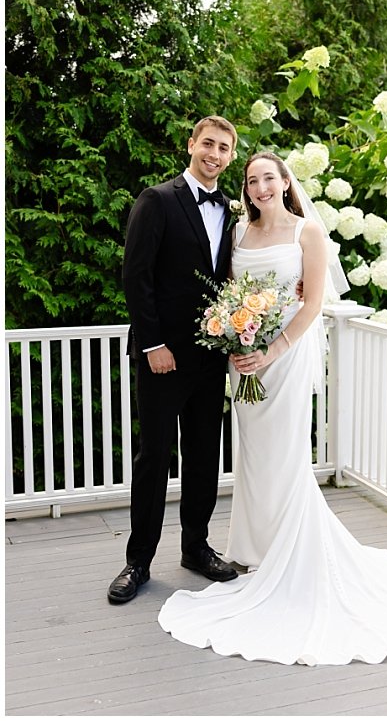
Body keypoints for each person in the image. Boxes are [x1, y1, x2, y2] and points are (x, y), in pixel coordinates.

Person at [157, 152, 387, 665]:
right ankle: (255, 549)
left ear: (285, 182)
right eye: (251, 181)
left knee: (286, 452)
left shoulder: (305, 232)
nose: (260, 187)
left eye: (269, 178)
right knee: (254, 452)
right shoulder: (238, 235)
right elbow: (231, 293)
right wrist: (236, 337)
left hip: (285, 356)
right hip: (245, 358)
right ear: (245, 190)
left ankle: (292, 555)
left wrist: (272, 348)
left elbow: (312, 302)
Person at [110, 116, 241, 604]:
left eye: (224, 148)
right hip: (162, 356)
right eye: (208, 143)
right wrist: (152, 344)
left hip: (210, 357)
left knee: (205, 455)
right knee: (153, 457)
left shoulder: (229, 211)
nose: (215, 153)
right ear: (191, 145)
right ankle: (138, 561)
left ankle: (196, 548)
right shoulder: (158, 199)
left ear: (230, 157)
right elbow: (136, 276)